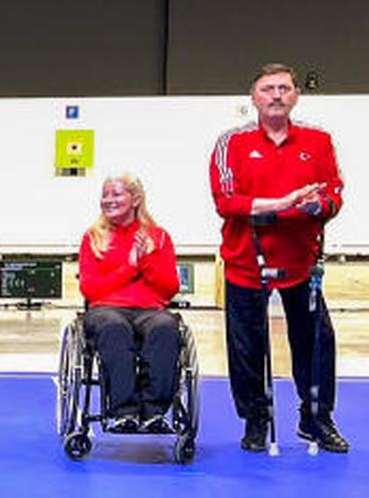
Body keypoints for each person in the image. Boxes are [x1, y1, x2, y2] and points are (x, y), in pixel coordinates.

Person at [209, 63, 348, 453]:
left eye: (284, 88)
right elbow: (226, 202)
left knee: (317, 344)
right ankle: (255, 419)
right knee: (247, 348)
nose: (276, 95)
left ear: (296, 94)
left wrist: (317, 204)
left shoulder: (319, 141)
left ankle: (316, 418)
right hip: (245, 264)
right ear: (254, 97)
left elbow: (333, 194)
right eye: (267, 88)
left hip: (302, 265)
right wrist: (284, 204)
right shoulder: (231, 144)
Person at [78, 174, 180, 433]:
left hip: (150, 310)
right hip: (106, 309)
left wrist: (147, 261)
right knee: (114, 327)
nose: (108, 200)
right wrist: (129, 267)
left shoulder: (158, 237)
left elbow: (169, 289)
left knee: (165, 327)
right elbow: (90, 289)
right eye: (105, 195)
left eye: (116, 194)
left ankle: (154, 412)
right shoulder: (93, 238)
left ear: (135, 199)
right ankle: (125, 412)